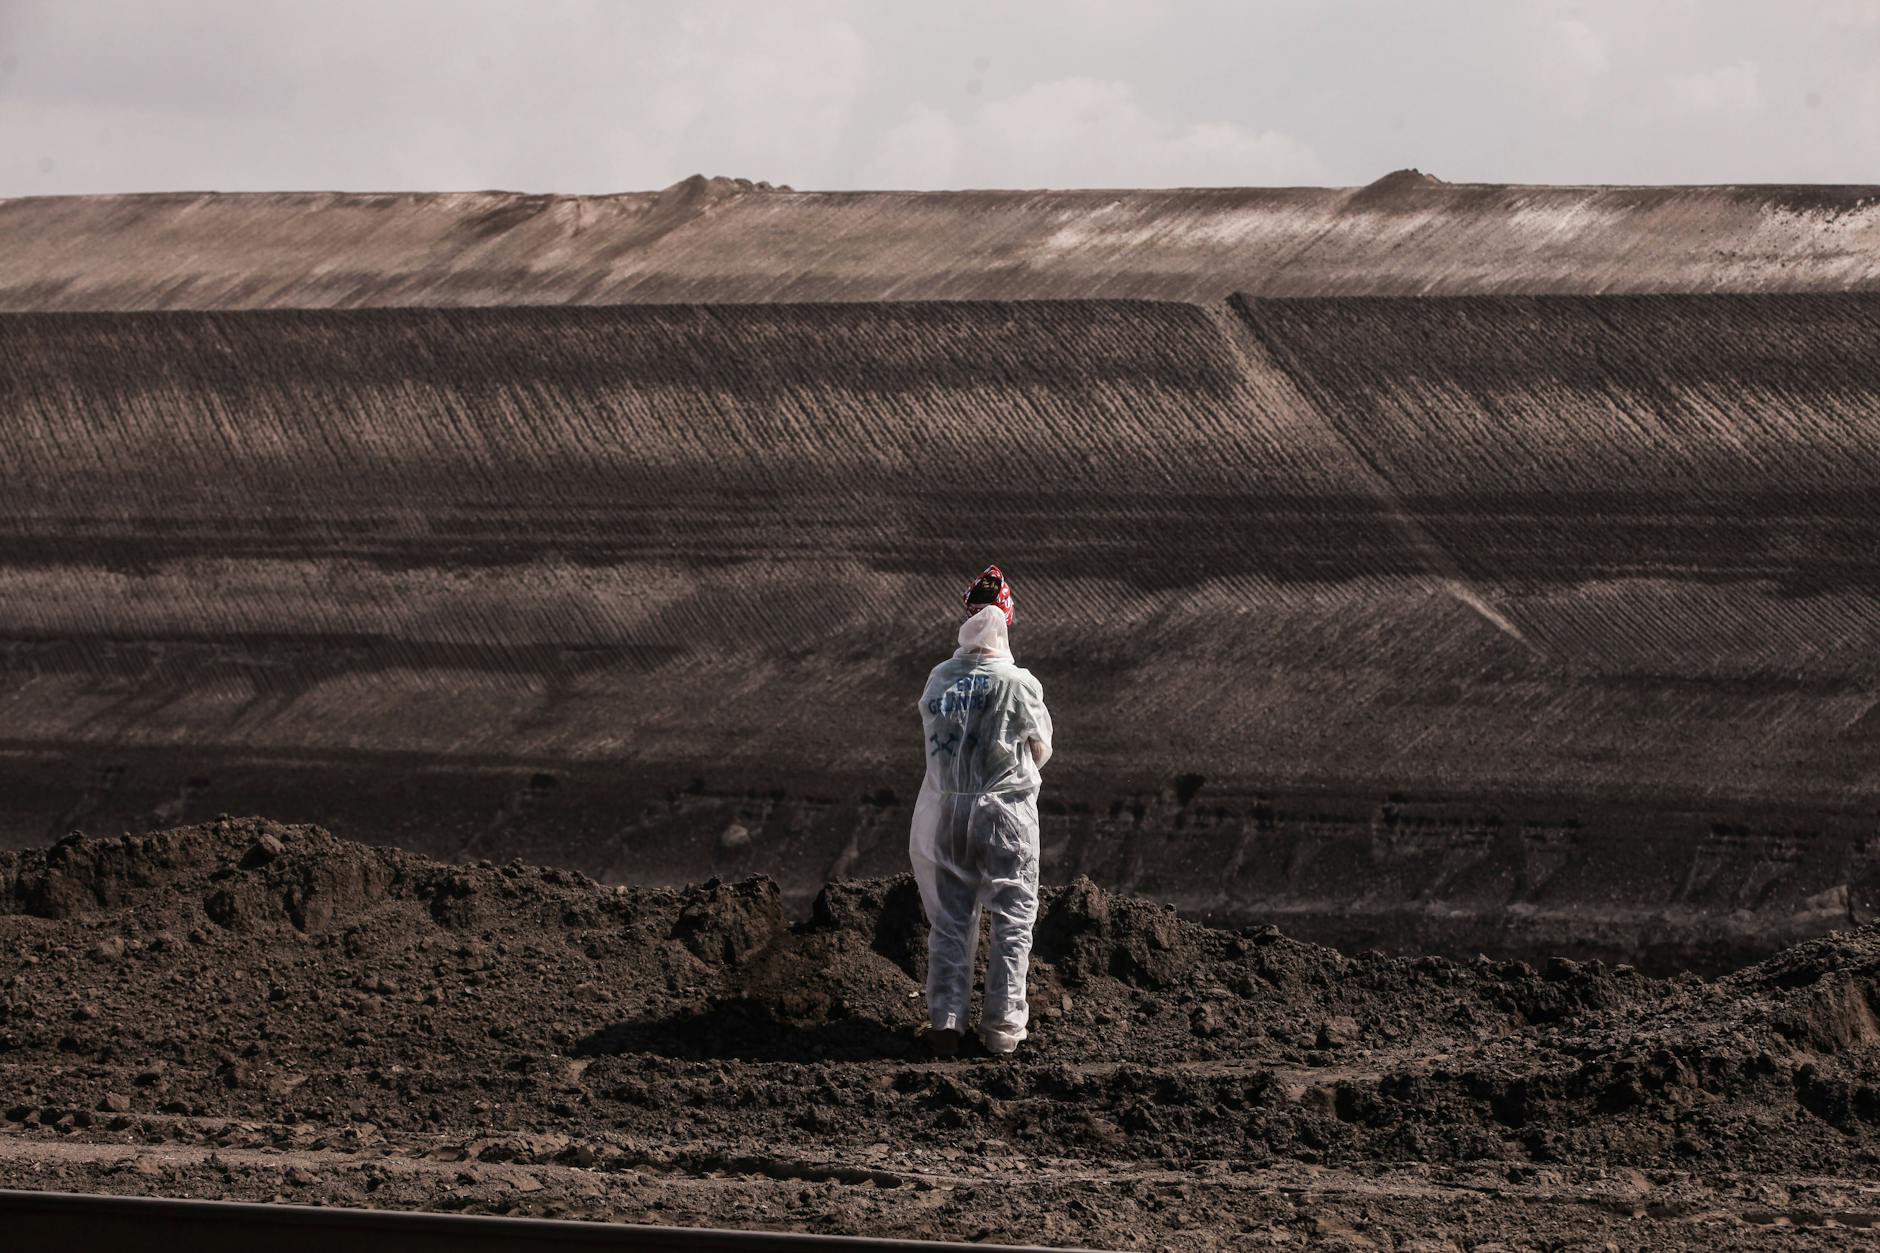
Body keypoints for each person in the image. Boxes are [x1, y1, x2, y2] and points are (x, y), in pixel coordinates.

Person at [909, 564, 1053, 1057]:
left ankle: (946, 1024)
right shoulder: (1019, 685)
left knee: (950, 920)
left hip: (947, 813)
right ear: (1007, 622)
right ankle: (1002, 1033)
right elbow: (1040, 748)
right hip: (1005, 815)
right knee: (1013, 919)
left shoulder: (939, 680)